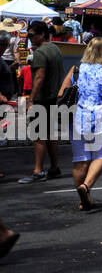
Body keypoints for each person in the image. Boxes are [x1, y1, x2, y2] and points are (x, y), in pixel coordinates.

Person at [55, 37, 102, 211]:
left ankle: (83, 200)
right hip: (100, 119)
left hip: (78, 119)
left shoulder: (76, 70)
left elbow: (61, 93)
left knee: (80, 159)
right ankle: (86, 187)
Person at [17, 21, 63, 184]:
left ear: (41, 34)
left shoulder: (40, 52)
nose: (29, 38)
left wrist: (31, 99)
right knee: (49, 135)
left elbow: (39, 77)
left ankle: (38, 170)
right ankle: (54, 167)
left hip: (42, 99)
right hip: (52, 98)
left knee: (38, 135)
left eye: (31, 35)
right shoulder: (55, 49)